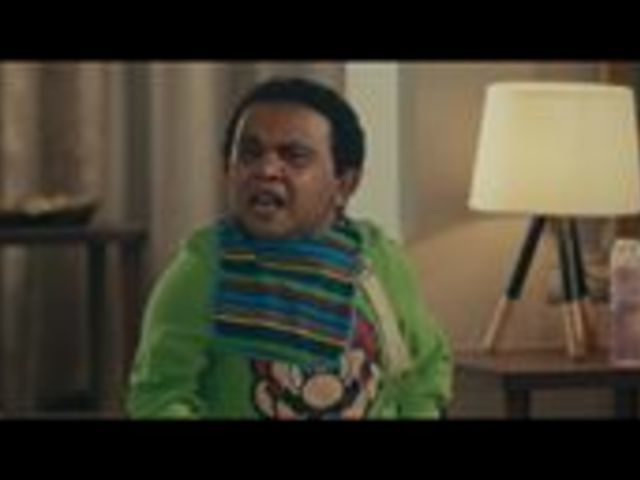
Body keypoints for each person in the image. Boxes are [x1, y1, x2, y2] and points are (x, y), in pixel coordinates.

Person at [126, 77, 452, 419]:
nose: (266, 170)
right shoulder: (202, 269)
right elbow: (159, 397)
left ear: (344, 184)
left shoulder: (379, 261)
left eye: (294, 156)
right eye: (250, 154)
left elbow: (424, 372)